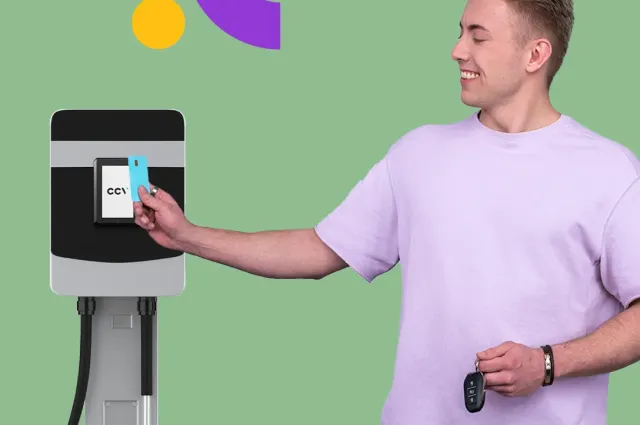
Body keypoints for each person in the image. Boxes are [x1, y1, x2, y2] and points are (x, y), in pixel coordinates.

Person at [133, 0, 640, 423]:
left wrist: (548, 364)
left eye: (478, 37)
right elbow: (319, 248)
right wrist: (187, 236)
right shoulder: (418, 154)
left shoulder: (609, 172)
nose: (457, 50)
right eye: (460, 32)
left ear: (536, 54)